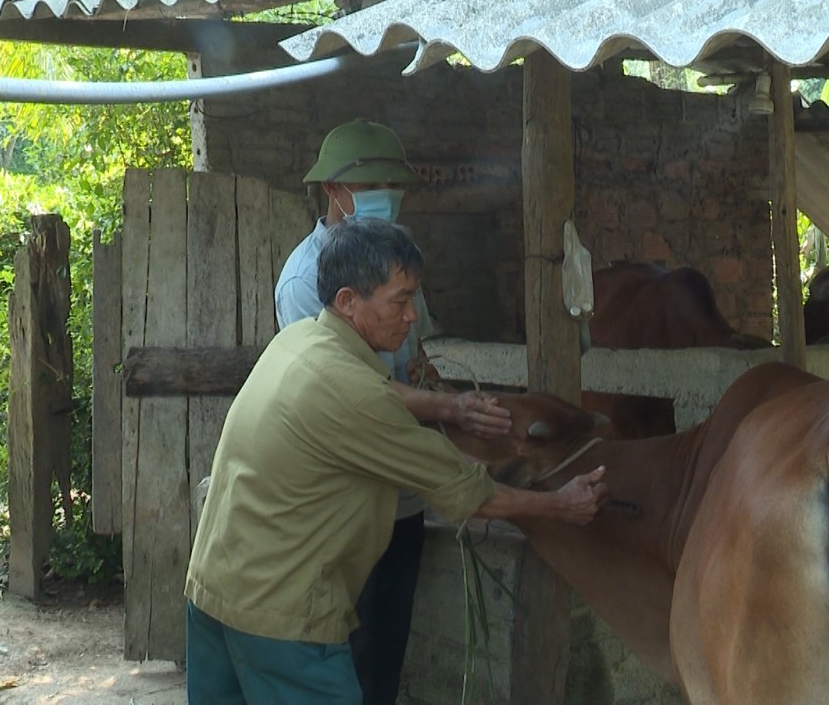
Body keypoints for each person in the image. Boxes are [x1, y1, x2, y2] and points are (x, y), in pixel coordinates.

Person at [185, 219, 607, 704]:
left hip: (215, 589)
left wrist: (447, 406)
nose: (411, 318)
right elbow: (467, 492)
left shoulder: (298, 341)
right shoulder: (357, 395)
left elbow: (372, 398)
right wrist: (560, 504)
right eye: (399, 301)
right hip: (282, 618)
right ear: (347, 301)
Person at [274, 118, 510, 705]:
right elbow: (349, 390)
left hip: (400, 493)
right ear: (334, 192)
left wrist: (442, 393)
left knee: (386, 646)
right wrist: (450, 411)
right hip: (344, 495)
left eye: (394, 185)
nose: (390, 197)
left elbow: (417, 354)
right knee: (345, 643)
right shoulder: (306, 281)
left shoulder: (395, 260)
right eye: (375, 184)